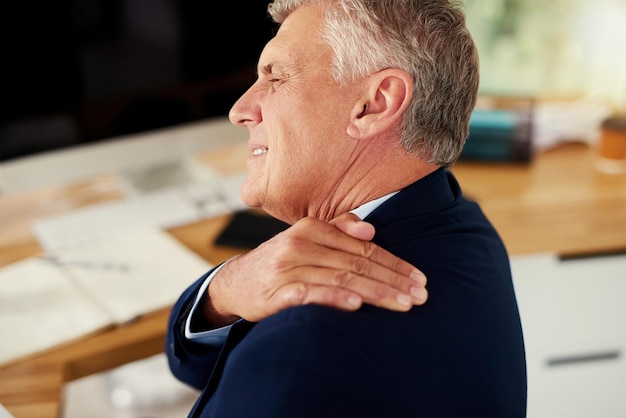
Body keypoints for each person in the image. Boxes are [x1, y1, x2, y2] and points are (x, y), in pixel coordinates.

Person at [166, 0, 527, 417]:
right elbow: (208, 372)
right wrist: (228, 288)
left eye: (276, 77)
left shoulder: (301, 351)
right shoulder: (462, 222)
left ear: (374, 104)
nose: (240, 110)